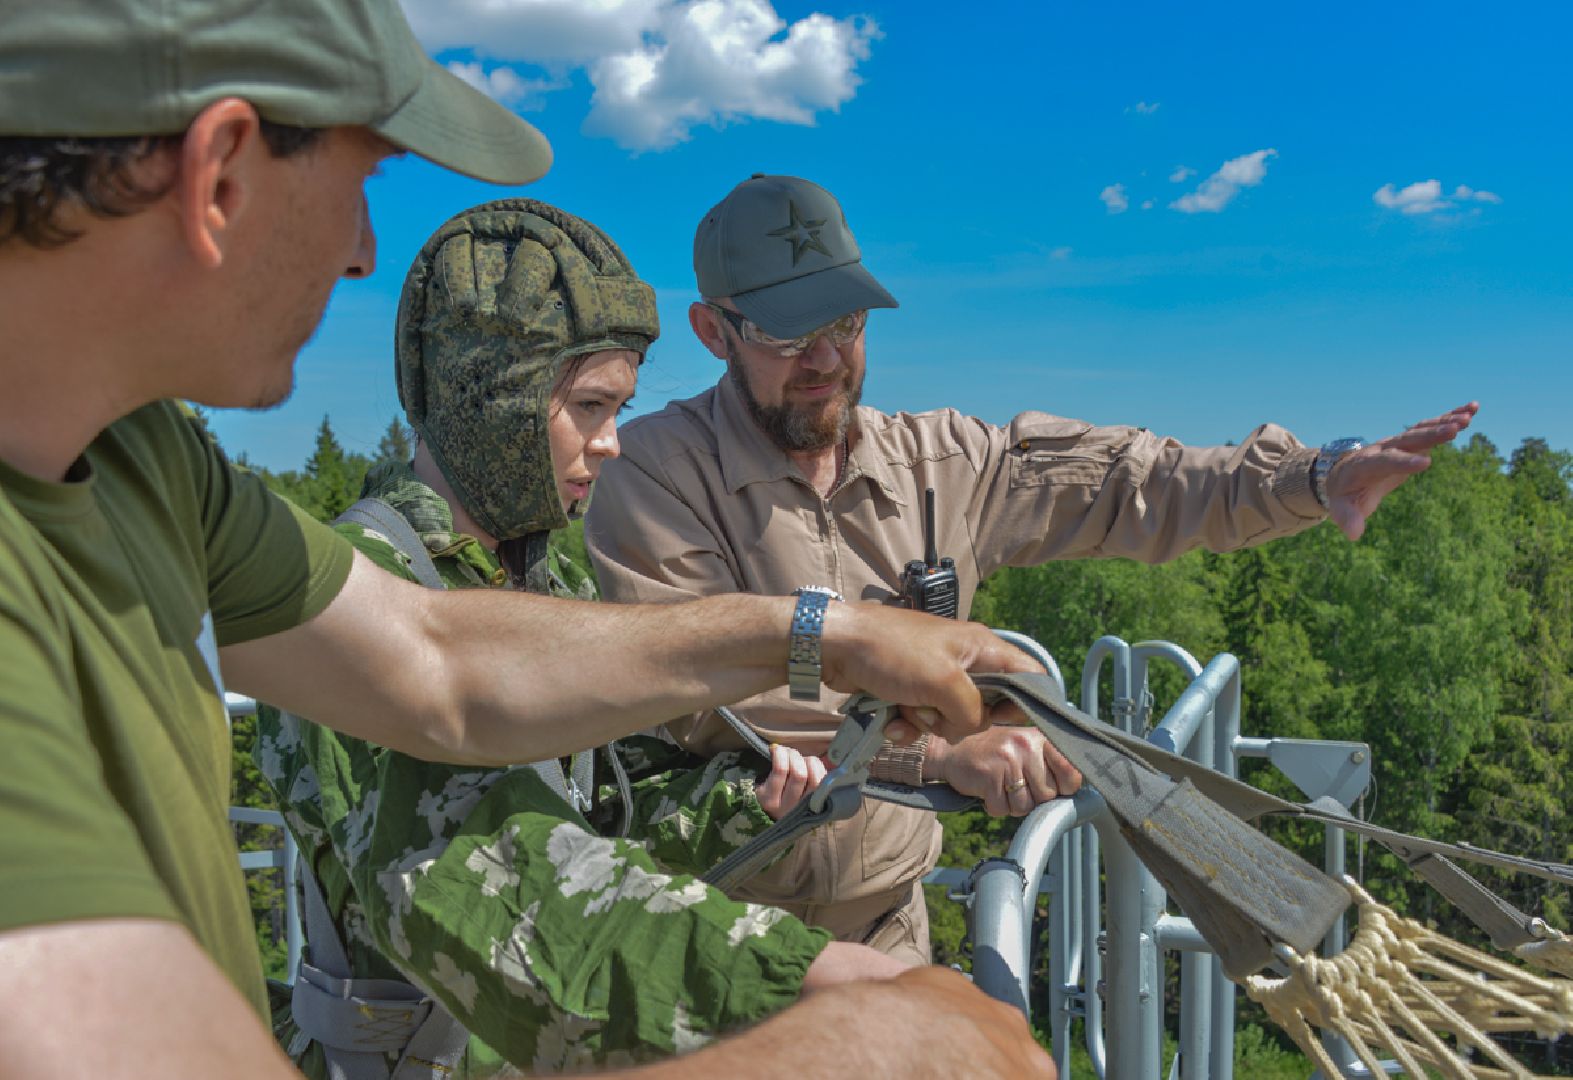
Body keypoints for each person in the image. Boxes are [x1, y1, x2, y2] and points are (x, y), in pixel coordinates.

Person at [0, 4, 1057, 1077]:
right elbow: (507, 890)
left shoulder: (146, 462)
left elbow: (438, 664)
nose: (364, 253)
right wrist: (838, 1026)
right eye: (363, 180)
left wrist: (823, 637)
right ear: (220, 174)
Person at [583, 172, 1479, 964]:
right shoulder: (654, 470)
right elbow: (701, 689)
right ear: (714, 331)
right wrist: (944, 751)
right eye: (786, 334)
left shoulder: (942, 463)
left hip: (890, 919)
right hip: (717, 925)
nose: (823, 361)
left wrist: (1313, 476)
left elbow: (1134, 482)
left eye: (845, 324)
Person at [257, 197, 906, 1076]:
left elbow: (601, 821)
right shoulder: (354, 592)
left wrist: (742, 802)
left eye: (620, 408)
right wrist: (803, 986)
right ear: (492, 402)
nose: (611, 446)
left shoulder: (538, 583)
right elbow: (501, 885)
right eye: (590, 407)